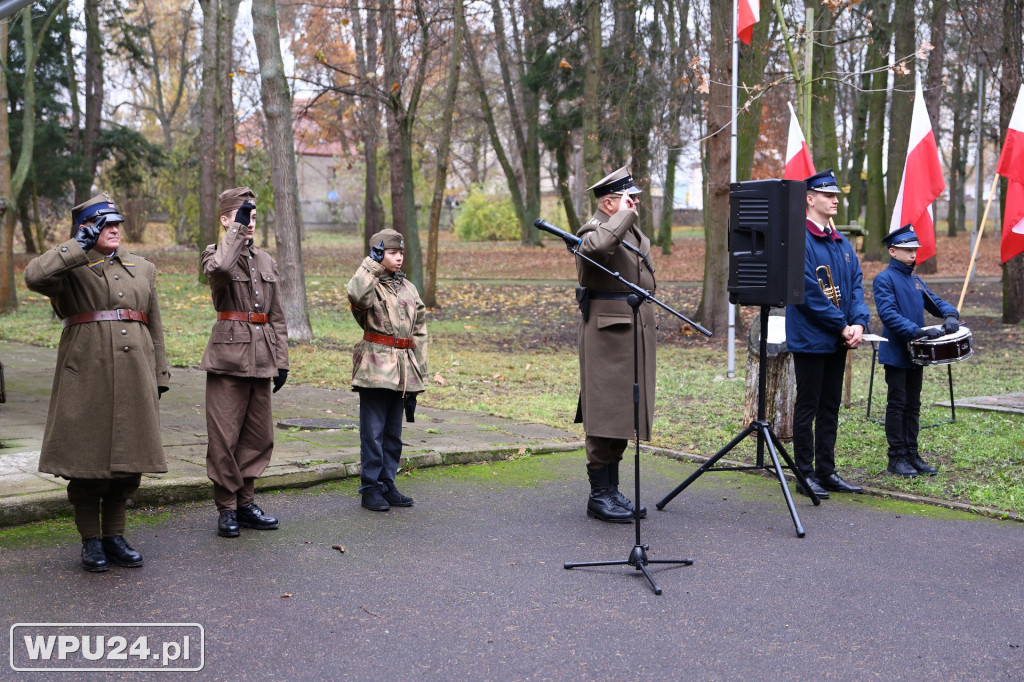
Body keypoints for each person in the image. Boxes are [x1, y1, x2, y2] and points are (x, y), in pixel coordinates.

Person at [24, 193, 169, 572]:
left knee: (128, 463)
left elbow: (154, 325)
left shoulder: (144, 267)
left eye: (118, 223)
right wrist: (75, 246)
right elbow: (33, 276)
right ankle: (91, 541)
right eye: (106, 224)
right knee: (87, 462)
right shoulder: (68, 268)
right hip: (86, 376)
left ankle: (115, 537)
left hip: (136, 372)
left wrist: (160, 374)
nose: (115, 229)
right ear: (86, 229)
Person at [200, 187, 289, 537]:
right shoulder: (214, 254)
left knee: (258, 435)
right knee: (224, 436)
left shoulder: (267, 261)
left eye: (252, 216)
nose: (249, 222)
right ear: (225, 220)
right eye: (241, 215)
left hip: (262, 355)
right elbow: (220, 267)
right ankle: (226, 507)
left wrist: (281, 361)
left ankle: (246, 502)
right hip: (228, 356)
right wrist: (234, 231)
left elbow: (277, 316)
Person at [573, 166, 653, 523]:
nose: (635, 203)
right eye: (627, 198)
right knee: (604, 413)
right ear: (609, 203)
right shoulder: (592, 231)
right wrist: (621, 217)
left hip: (632, 332)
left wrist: (626, 218)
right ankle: (598, 495)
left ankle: (612, 489)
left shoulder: (630, 232)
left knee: (624, 414)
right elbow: (599, 246)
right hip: (607, 337)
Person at [785, 169, 871, 499]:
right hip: (811, 338)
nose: (835, 200)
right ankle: (804, 475)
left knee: (831, 406)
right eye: (827, 195)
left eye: (836, 195)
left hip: (839, 337)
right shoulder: (800, 239)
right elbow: (806, 291)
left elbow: (856, 286)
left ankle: (826, 470)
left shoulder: (840, 241)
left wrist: (859, 323)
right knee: (807, 407)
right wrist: (841, 324)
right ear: (810, 199)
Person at [346, 229, 428, 512]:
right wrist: (370, 265)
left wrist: (418, 376)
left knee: (393, 432)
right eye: (392, 253)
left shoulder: (409, 288)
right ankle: (370, 487)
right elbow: (357, 297)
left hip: (403, 369)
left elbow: (419, 333)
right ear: (379, 254)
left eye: (401, 253)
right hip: (375, 367)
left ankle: (387, 483)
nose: (399, 258)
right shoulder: (369, 284)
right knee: (373, 431)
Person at [872, 224, 960, 477]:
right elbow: (888, 314)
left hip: (917, 353)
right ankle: (896, 456)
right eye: (908, 250)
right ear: (893, 251)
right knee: (897, 403)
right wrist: (918, 331)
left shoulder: (915, 279)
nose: (913, 255)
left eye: (915, 250)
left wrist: (951, 314)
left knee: (913, 404)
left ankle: (912, 453)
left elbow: (936, 303)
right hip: (898, 352)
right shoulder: (884, 279)